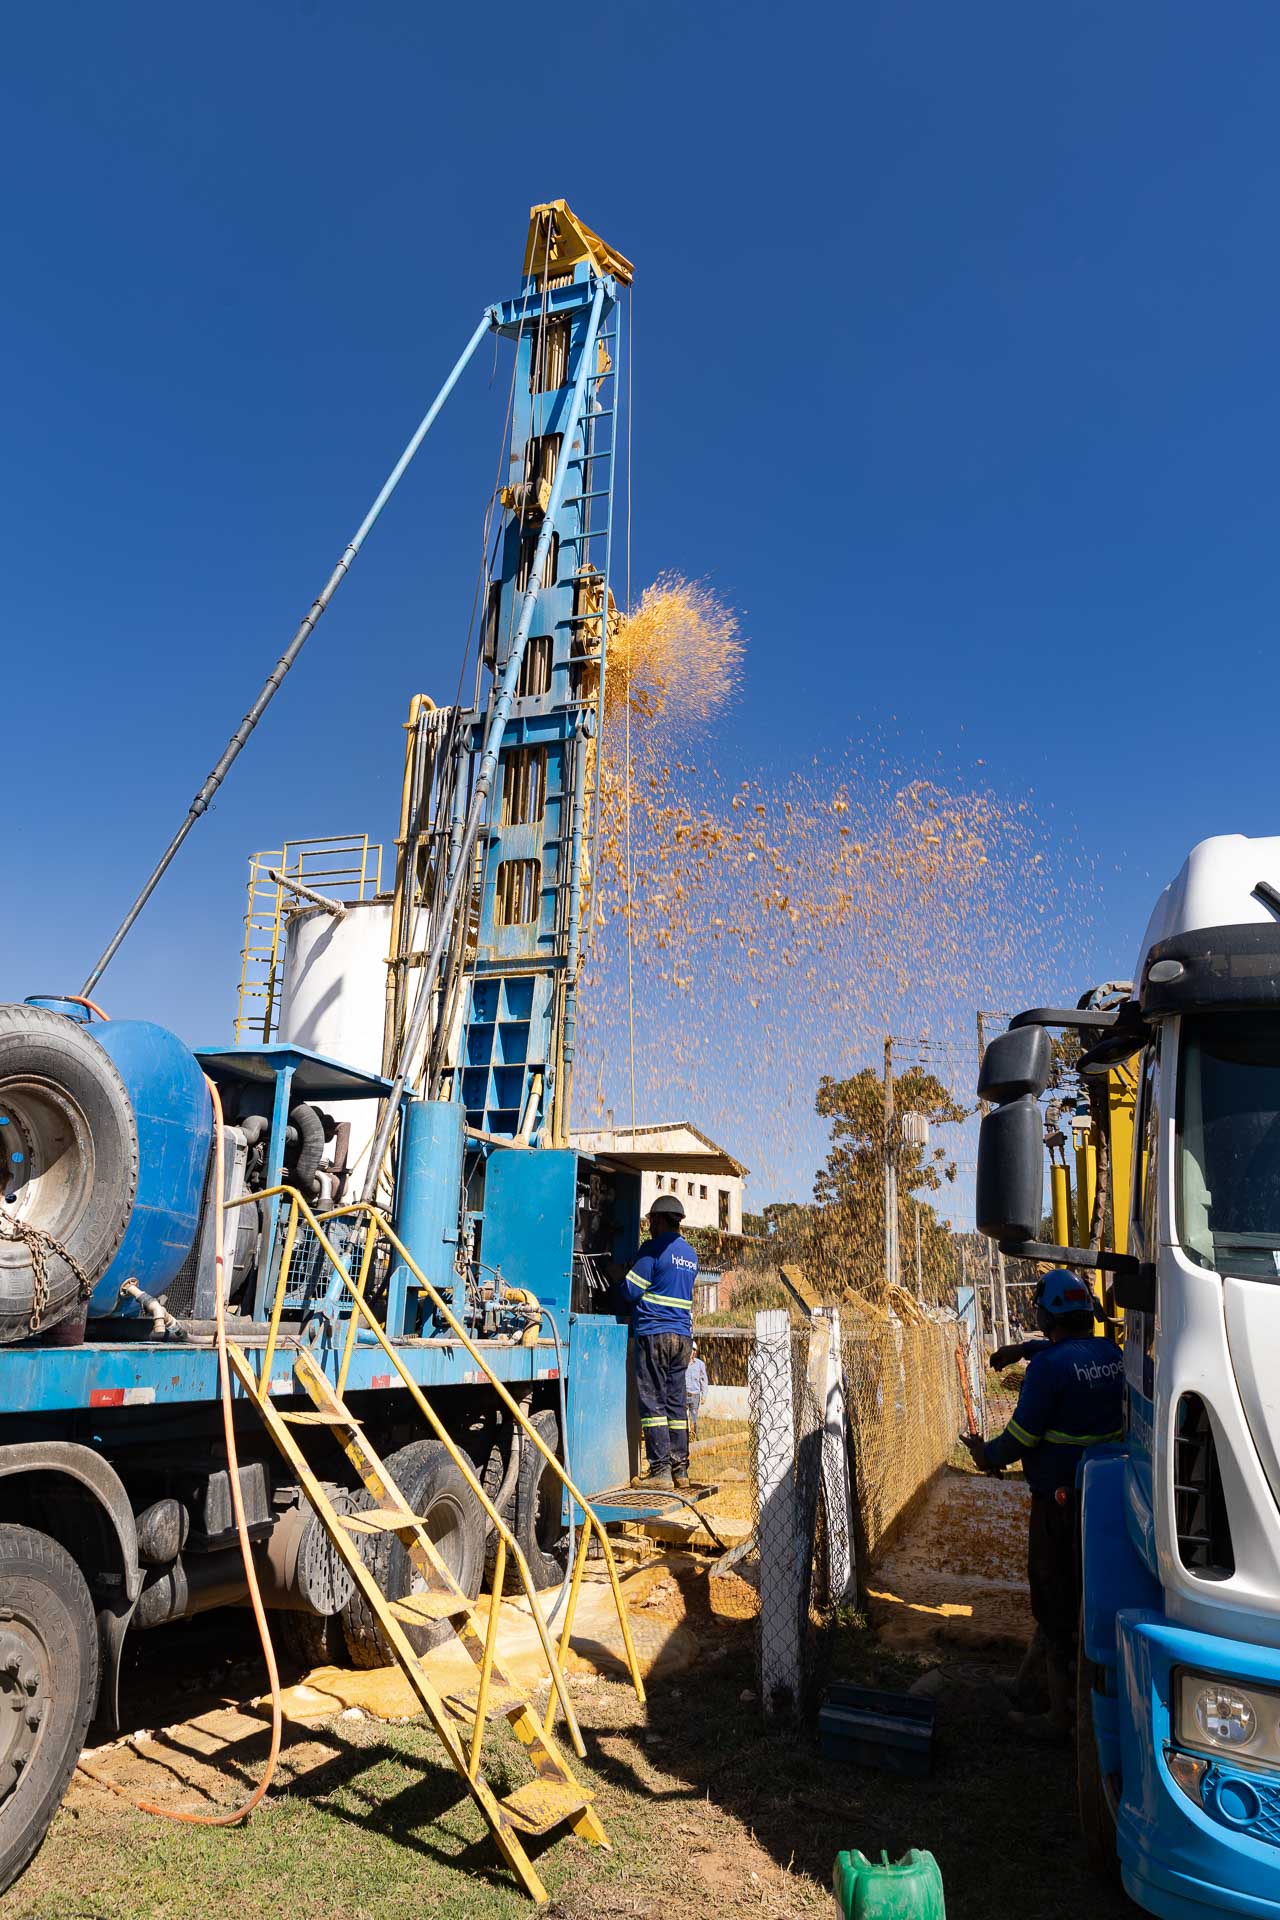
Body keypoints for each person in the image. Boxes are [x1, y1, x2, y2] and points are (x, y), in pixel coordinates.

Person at [961, 1269, 1123, 1741]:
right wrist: (1021, 1349)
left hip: (1059, 1507)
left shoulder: (1047, 1370)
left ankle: (1061, 1719)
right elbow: (1068, 1355)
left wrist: (985, 1455)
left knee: (1054, 1600)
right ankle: (1028, 1686)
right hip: (1102, 1500)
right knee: (1075, 1596)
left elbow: (1021, 1437)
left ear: (1045, 1313)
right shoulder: (1109, 1354)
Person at [621, 1193, 699, 1490]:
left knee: (652, 1401)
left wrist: (620, 1275)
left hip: (655, 1333)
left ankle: (660, 1471)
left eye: (651, 1220)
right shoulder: (690, 1254)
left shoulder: (652, 1250)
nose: (649, 1225)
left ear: (661, 1219)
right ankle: (681, 1469)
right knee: (675, 1403)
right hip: (682, 1337)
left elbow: (631, 1291)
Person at [685, 1342, 709, 1440]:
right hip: (682, 1395)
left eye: (693, 1350)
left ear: (695, 1352)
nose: (691, 1352)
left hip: (695, 1395)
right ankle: (683, 1438)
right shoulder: (681, 1363)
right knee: (682, 1418)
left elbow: (704, 1380)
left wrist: (704, 1395)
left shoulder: (700, 1364)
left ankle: (693, 1437)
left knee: (693, 1417)